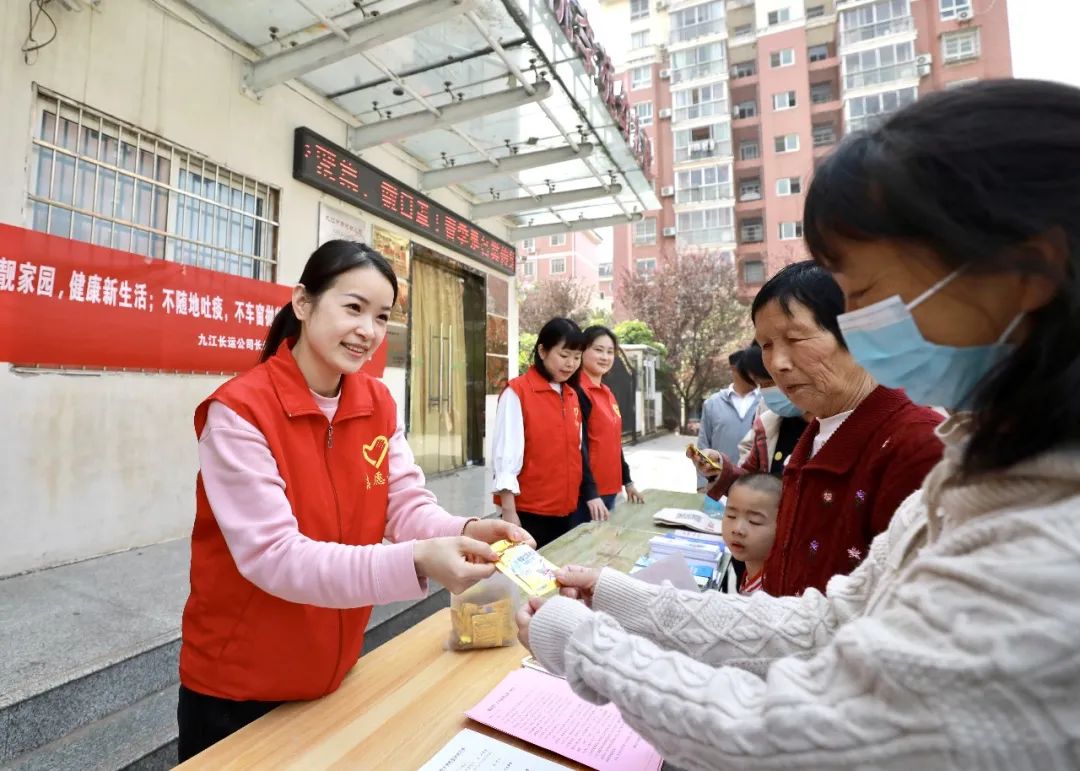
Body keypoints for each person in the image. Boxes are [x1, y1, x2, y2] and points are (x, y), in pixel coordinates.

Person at [518, 78, 1080, 769]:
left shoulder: (1050, 546)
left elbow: (815, 727)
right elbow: (827, 622)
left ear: (1027, 271)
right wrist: (616, 598)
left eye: (868, 297)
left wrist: (585, 643)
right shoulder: (981, 466)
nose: (863, 330)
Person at [177, 241, 532, 760]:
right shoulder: (240, 412)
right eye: (353, 308)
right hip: (240, 685)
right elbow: (274, 556)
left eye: (382, 316)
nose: (368, 330)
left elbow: (405, 506)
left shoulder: (376, 402)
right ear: (303, 302)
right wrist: (415, 558)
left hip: (333, 667)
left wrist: (467, 529)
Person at [690, 261, 943, 596]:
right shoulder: (816, 431)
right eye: (766, 345)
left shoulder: (919, 446)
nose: (778, 363)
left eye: (795, 338)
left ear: (856, 335)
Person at [492, 317, 589, 548]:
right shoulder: (518, 392)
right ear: (542, 351)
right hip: (528, 512)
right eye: (564, 355)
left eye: (577, 357)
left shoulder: (571, 395)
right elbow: (506, 456)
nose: (571, 364)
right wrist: (509, 513)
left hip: (565, 509)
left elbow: (575, 451)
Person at [569, 326, 646, 527]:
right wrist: (590, 493)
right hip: (586, 496)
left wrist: (627, 481)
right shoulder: (576, 393)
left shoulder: (607, 392)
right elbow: (578, 447)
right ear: (582, 351)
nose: (605, 356)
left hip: (609, 490)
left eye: (610, 351)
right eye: (598, 350)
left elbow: (613, 442)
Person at [734, 343, 808, 475]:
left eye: (768, 383)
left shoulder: (830, 424)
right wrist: (720, 470)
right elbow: (748, 470)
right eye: (760, 385)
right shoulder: (767, 423)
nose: (765, 391)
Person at [693, 351, 760, 492]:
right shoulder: (712, 403)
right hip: (718, 482)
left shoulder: (766, 402)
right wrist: (702, 484)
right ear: (734, 369)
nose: (754, 373)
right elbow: (703, 445)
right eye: (748, 368)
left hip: (756, 485)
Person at [719, 473, 781, 595]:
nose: (738, 529)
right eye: (731, 516)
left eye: (754, 521)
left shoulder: (772, 593)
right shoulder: (752, 571)